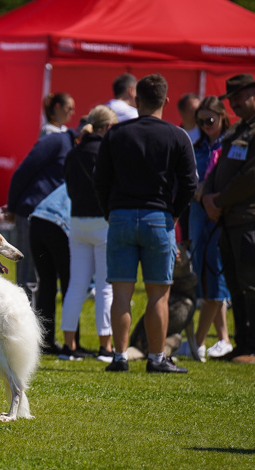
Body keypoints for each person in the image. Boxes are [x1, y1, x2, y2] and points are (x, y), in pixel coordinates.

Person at [94, 73, 198, 374]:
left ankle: (120, 357)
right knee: (158, 294)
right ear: (166, 101)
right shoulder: (178, 136)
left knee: (121, 293)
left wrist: (109, 211)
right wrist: (174, 214)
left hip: (122, 217)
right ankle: (155, 357)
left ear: (136, 100)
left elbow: (100, 179)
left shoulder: (115, 134)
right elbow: (190, 183)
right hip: (158, 219)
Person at [202, 74, 255, 364]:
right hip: (231, 216)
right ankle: (242, 346)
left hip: (252, 217)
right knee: (235, 284)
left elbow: (252, 177)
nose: (234, 104)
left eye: (238, 97)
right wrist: (207, 197)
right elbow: (220, 166)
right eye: (231, 99)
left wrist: (218, 201)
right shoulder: (242, 127)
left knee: (252, 283)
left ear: (254, 92)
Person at [59, 105, 117, 362]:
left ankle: (68, 346)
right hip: (103, 222)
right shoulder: (109, 151)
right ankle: (106, 347)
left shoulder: (73, 152)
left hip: (77, 221)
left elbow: (69, 189)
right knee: (105, 287)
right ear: (108, 128)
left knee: (75, 286)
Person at [8, 106, 74, 293]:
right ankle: (23, 320)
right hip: (31, 213)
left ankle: (40, 322)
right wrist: (12, 207)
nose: (72, 112)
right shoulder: (57, 141)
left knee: (44, 280)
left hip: (52, 220)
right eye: (69, 108)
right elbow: (23, 172)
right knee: (28, 278)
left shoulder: (73, 145)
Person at [187, 96, 232, 361]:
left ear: (222, 116)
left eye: (210, 120)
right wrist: (198, 193)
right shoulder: (196, 147)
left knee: (216, 273)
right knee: (201, 273)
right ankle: (223, 338)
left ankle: (200, 341)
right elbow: (186, 179)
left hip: (221, 217)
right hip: (197, 215)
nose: (205, 125)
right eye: (200, 121)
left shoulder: (232, 146)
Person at [29, 182, 76, 355]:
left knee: (47, 285)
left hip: (37, 221)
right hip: (58, 224)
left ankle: (45, 342)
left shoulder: (75, 171)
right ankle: (72, 345)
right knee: (71, 286)